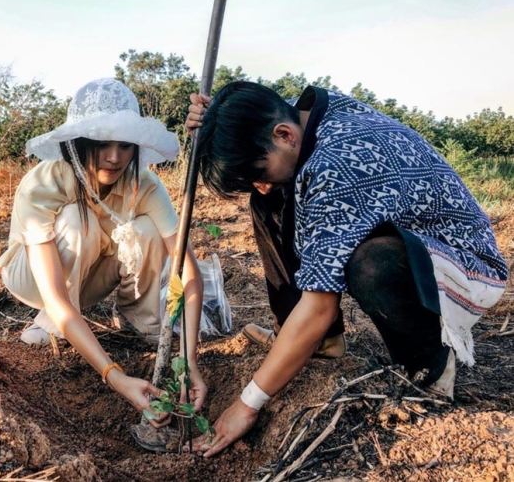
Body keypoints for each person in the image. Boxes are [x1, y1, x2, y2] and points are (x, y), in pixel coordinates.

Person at [184, 81, 508, 457]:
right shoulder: (301, 114)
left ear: (284, 135)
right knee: (268, 197)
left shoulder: (334, 165)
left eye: (258, 168)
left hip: (462, 266)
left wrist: (246, 404)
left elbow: (319, 305)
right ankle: (319, 344)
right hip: (414, 242)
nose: (259, 179)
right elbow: (252, 114)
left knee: (372, 265)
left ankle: (429, 370)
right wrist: (214, 123)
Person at [0, 77, 207, 426]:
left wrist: (189, 363)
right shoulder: (45, 182)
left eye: (125, 145)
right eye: (101, 143)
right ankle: (51, 324)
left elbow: (188, 272)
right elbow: (56, 295)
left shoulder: (145, 184)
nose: (114, 157)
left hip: (89, 278)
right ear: (80, 142)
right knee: (79, 221)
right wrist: (114, 375)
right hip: (33, 278)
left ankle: (139, 319)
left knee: (146, 228)